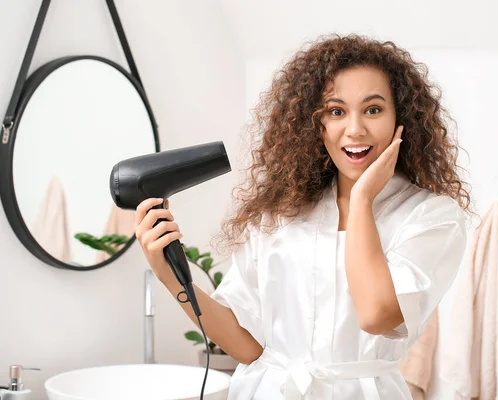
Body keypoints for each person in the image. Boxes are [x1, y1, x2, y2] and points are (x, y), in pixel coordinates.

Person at [134, 34, 471, 400]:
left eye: (373, 109)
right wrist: (171, 276)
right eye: (336, 111)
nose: (355, 129)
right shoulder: (283, 211)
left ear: (400, 117)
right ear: (316, 123)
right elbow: (247, 346)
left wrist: (360, 201)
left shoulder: (430, 216)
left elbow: (377, 314)